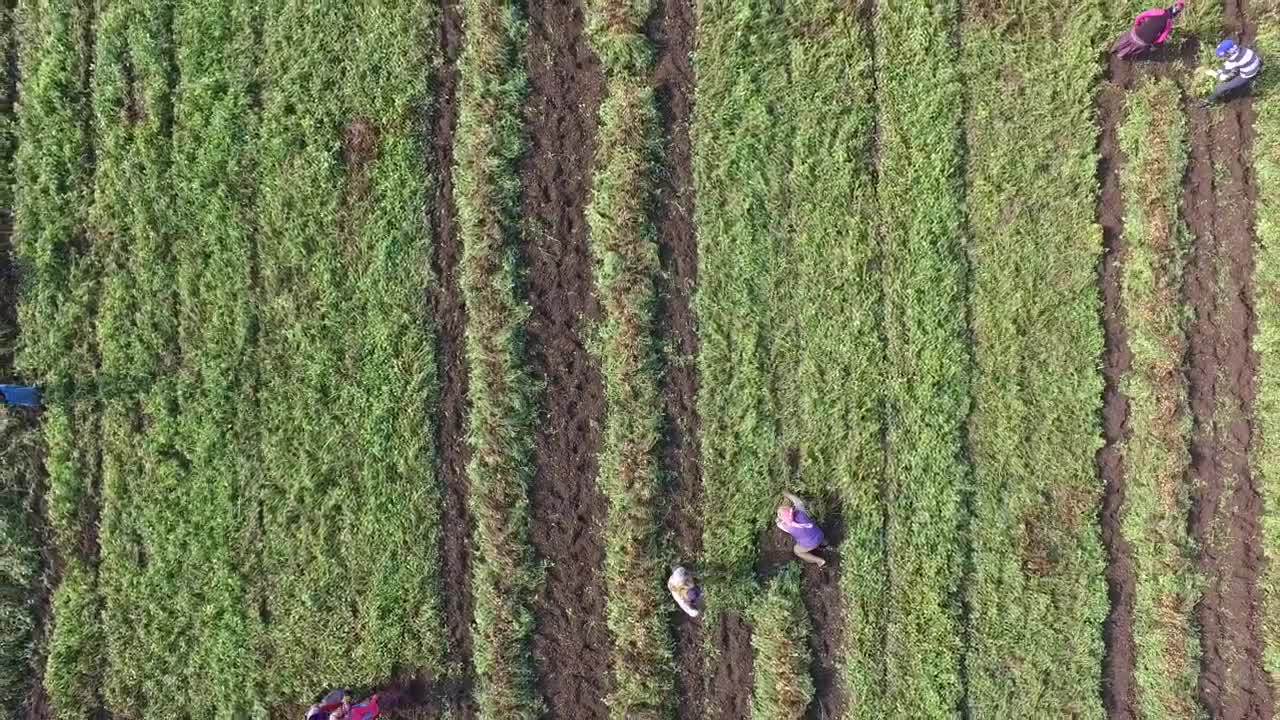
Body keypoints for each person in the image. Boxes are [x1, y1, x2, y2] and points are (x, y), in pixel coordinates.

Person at [1111, 3, 1184, 59]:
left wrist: (1137, 25)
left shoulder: (1157, 11)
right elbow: (1161, 39)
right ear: (1176, 15)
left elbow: (1139, 17)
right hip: (1142, 43)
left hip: (1135, 33)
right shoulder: (1169, 23)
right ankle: (1120, 56)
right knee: (1132, 50)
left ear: (1171, 6)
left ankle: (1113, 50)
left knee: (1124, 40)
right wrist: (1153, 42)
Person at [1203, 38, 1263, 105]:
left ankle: (1209, 100)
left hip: (1248, 75)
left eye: (1223, 56)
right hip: (1254, 63)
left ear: (1228, 54)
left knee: (1219, 88)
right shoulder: (1243, 49)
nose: (1222, 58)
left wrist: (1212, 73)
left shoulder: (1233, 61)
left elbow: (1222, 78)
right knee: (1233, 70)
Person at [775, 491, 826, 568]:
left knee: (797, 550)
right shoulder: (800, 511)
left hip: (810, 544)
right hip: (820, 534)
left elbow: (778, 523)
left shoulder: (787, 527)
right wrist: (788, 494)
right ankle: (825, 543)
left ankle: (819, 561)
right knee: (813, 528)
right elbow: (797, 501)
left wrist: (779, 518)